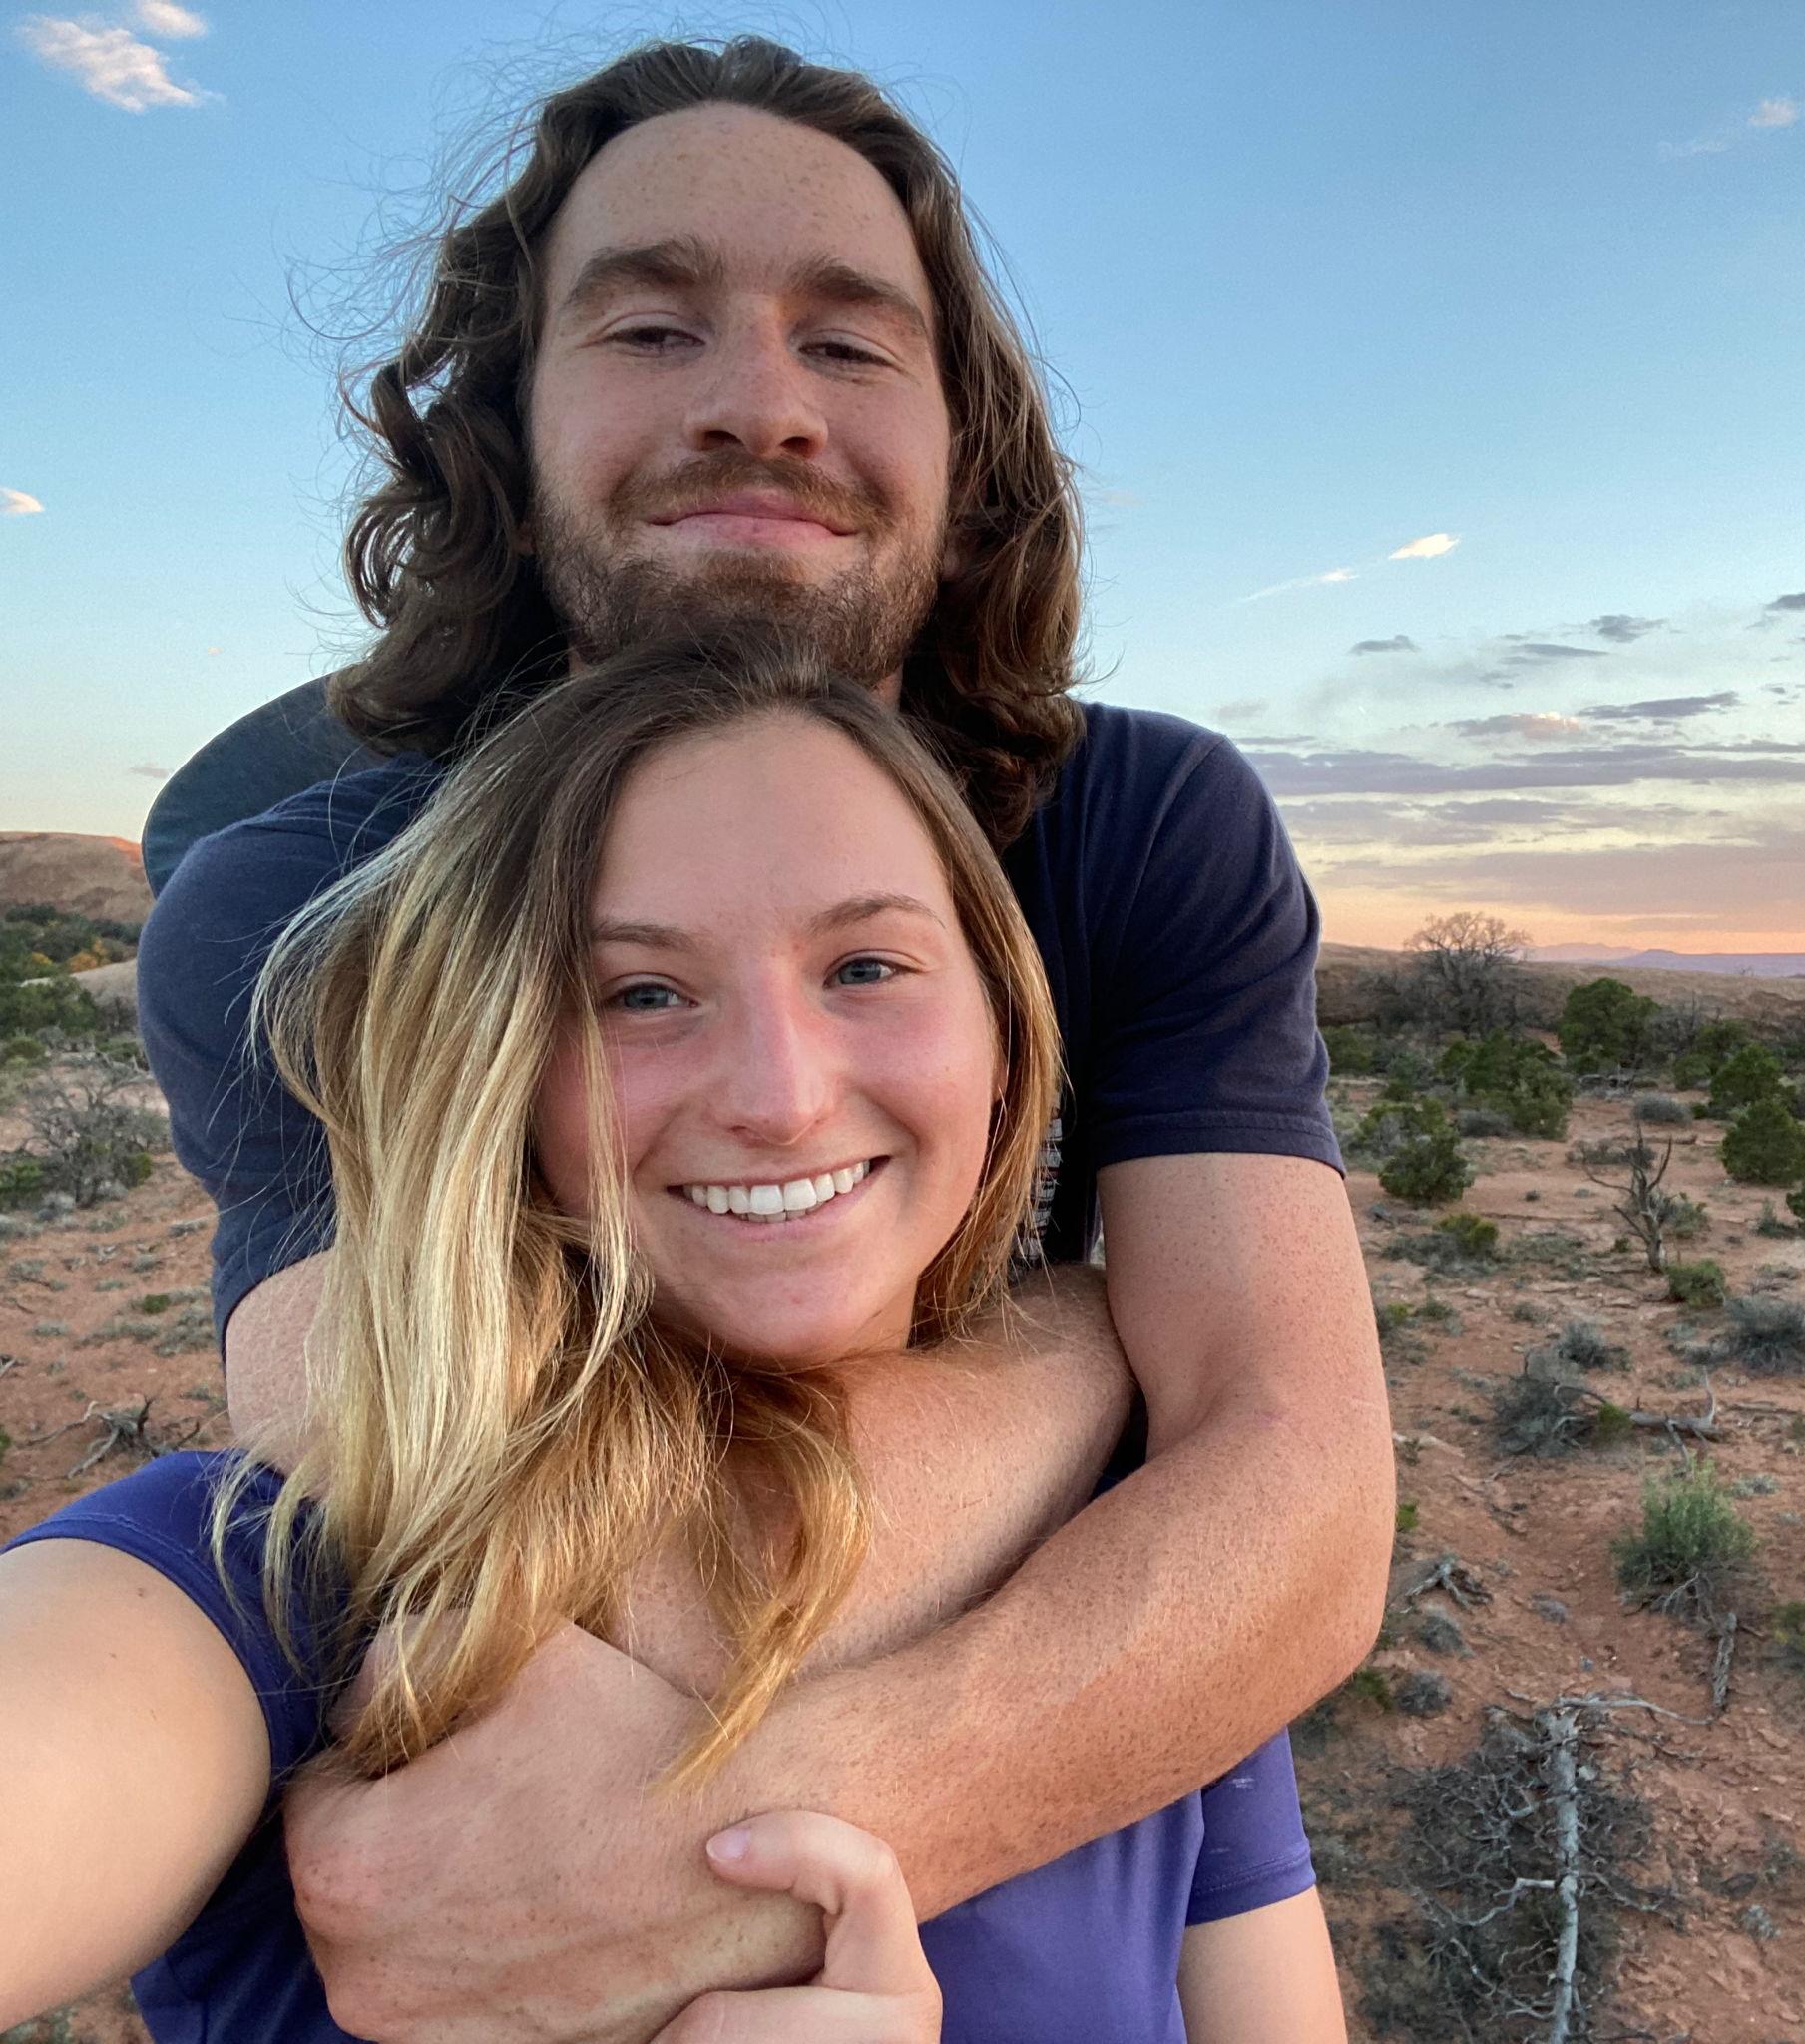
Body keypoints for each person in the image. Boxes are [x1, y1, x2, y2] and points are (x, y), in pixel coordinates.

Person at [136, 35, 1394, 2035]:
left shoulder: (1144, 827)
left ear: (963, 450)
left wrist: (681, 1878)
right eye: (651, 327)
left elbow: (1306, 1527)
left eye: (852, 343)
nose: (760, 404)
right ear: (506, 428)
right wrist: (1096, 1360)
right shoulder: (308, 904)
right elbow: (454, 1516)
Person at [2, 644, 1347, 2043]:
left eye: (867, 967)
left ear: (1004, 1040)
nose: (778, 1095)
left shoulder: (1149, 1569)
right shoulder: (276, 1579)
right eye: (641, 993)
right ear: (506, 1076)